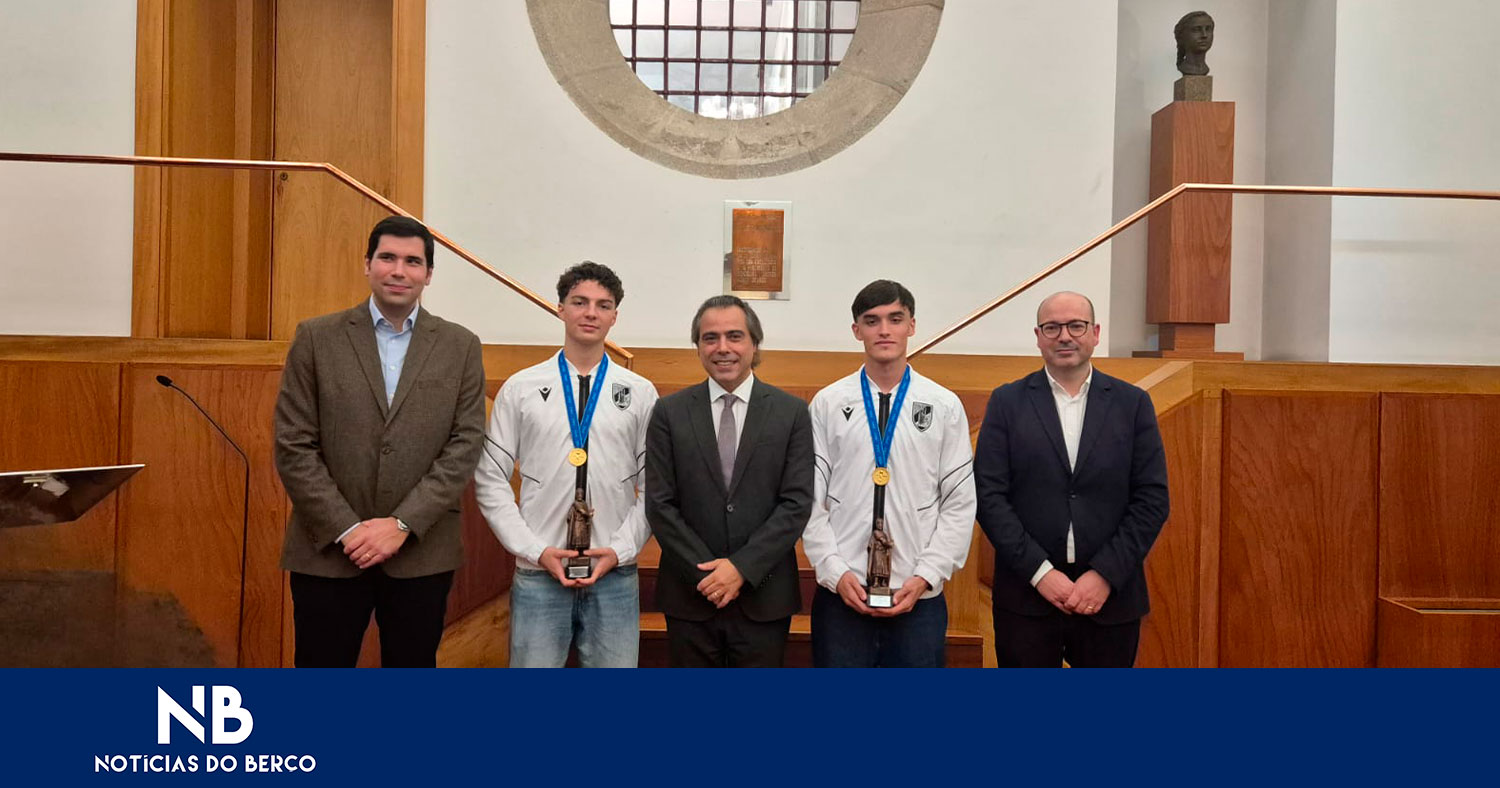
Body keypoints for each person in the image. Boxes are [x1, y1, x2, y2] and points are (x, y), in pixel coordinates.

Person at [274, 215, 486, 667]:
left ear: (428, 274)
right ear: (367, 264)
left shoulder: (460, 345)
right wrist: (349, 529)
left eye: (413, 261)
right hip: (328, 551)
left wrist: (402, 524)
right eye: (387, 257)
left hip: (421, 553)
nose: (398, 270)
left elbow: (465, 443)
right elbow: (294, 443)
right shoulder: (316, 338)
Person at [474, 262, 657, 667]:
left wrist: (621, 550)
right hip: (539, 573)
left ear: (614, 316)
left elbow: (656, 487)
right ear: (560, 309)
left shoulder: (640, 392)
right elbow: (490, 478)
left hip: (615, 573)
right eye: (580, 302)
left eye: (602, 305)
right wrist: (533, 550)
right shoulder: (520, 388)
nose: (591, 312)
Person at [973, 291, 1168, 668]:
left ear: (1095, 333)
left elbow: (1152, 499)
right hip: (1027, 598)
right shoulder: (1007, 402)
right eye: (1053, 327)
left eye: (1076, 326)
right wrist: (1041, 574)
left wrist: (1104, 575)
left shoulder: (1133, 404)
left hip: (1111, 599)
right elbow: (990, 496)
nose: (1065, 336)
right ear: (1038, 336)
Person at [802, 280, 975, 668]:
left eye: (895, 319)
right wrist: (832, 570)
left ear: (912, 325)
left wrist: (927, 575)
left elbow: (960, 503)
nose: (884, 330)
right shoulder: (829, 403)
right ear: (856, 330)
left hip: (918, 596)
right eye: (872, 320)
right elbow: (810, 500)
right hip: (842, 595)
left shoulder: (943, 405)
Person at [644, 295, 813, 667]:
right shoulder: (669, 412)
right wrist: (709, 574)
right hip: (691, 593)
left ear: (754, 343)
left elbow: (796, 503)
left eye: (735, 336)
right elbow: (660, 504)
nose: (723, 348)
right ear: (698, 347)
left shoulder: (792, 412)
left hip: (764, 594)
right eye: (710, 338)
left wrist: (740, 569)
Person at [1174, 10, 1215, 76]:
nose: (1204, 35)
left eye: (1208, 29)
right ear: (1181, 37)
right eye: (1196, 30)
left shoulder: (1205, 69)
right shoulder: (1185, 68)